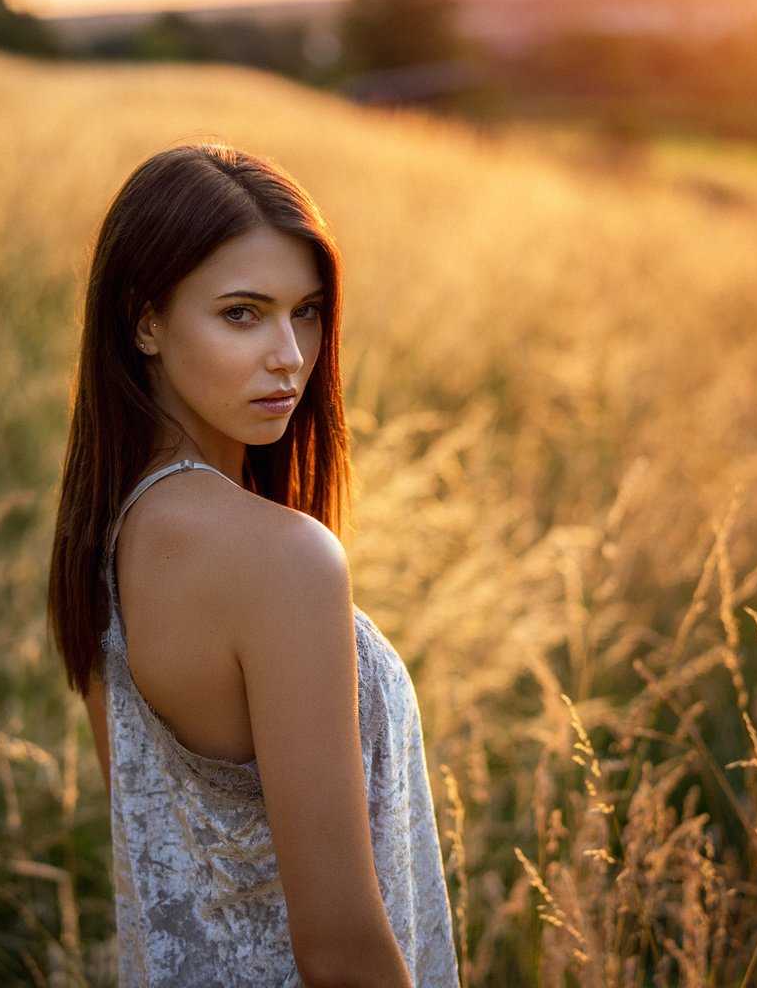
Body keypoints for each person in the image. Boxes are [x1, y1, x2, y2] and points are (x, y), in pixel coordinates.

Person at [48, 143, 458, 988]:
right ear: (144, 321)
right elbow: (341, 951)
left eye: (306, 311)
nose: (291, 355)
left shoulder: (101, 541)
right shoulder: (282, 559)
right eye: (242, 313)